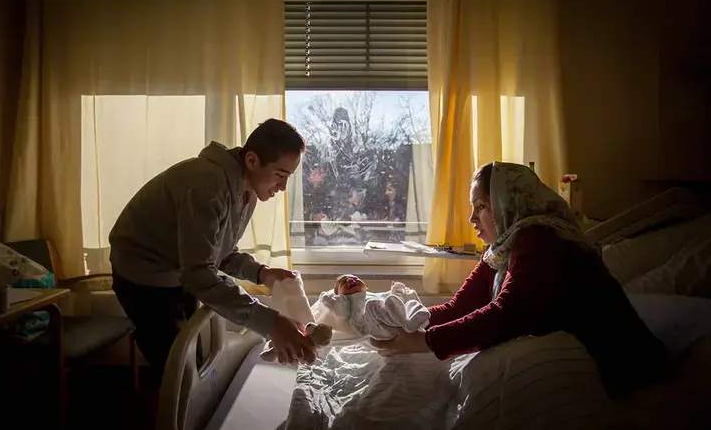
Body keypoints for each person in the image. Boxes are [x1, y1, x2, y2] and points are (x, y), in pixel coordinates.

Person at [371, 161, 669, 398]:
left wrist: (424, 341)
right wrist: (406, 325)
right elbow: (459, 307)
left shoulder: (540, 238)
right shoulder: (502, 248)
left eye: (481, 207)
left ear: (506, 203)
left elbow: (509, 313)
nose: (472, 218)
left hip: (626, 373)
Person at [110, 118, 317, 375]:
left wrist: (261, 273)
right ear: (252, 161)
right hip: (142, 274)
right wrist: (272, 323)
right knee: (175, 367)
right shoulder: (206, 185)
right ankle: (167, 411)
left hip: (179, 270)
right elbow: (199, 274)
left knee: (189, 355)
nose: (283, 187)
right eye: (280, 174)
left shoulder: (247, 192)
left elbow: (220, 251)